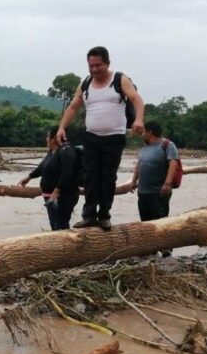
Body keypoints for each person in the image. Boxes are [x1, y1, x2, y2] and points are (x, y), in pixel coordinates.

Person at [56, 46, 145, 230]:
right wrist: (61, 128)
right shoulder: (86, 83)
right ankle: (89, 215)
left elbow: (136, 99)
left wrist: (139, 119)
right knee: (90, 176)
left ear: (107, 63)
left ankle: (104, 215)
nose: (95, 69)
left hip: (114, 137)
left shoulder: (120, 80)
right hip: (91, 137)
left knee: (107, 177)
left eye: (98, 65)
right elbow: (73, 106)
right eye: (91, 66)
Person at [125, 121, 180, 255]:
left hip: (159, 192)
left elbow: (173, 163)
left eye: (143, 131)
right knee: (146, 222)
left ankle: (165, 248)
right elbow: (139, 164)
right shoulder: (145, 148)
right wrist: (133, 181)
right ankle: (150, 248)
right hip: (143, 192)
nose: (142, 134)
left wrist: (167, 183)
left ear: (150, 132)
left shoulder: (167, 145)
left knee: (161, 221)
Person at [18, 126, 80, 230]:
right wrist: (29, 177)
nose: (46, 139)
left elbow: (67, 174)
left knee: (61, 224)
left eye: (47, 136)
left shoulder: (66, 151)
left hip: (63, 196)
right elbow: (43, 167)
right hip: (51, 197)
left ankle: (64, 245)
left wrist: (56, 191)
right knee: (54, 224)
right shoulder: (52, 151)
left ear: (54, 138)